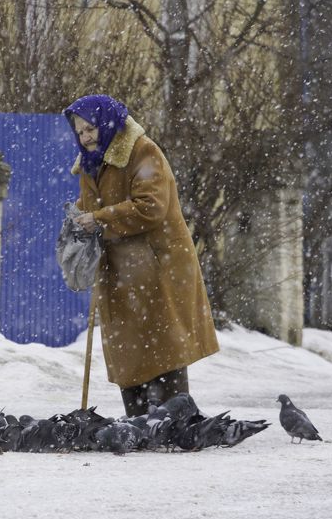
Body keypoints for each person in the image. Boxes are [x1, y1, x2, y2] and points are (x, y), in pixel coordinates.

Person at [63, 93, 219, 417]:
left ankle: (177, 420)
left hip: (157, 267)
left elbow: (152, 208)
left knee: (163, 345)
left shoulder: (142, 151)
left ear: (106, 124)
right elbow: (91, 209)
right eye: (79, 132)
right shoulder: (88, 165)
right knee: (128, 348)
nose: (85, 137)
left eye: (90, 129)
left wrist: (101, 217)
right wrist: (79, 223)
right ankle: (139, 422)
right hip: (119, 272)